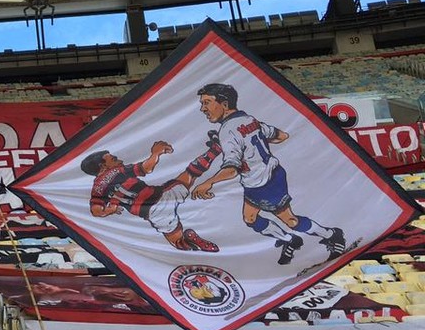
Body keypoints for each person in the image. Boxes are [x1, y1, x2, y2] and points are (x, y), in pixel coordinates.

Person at [190, 82, 345, 264]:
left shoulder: (227, 130)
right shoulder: (249, 119)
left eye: (207, 102)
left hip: (265, 182)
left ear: (224, 104)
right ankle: (290, 240)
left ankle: (332, 235)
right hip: (257, 180)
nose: (203, 108)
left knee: (290, 220)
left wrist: (208, 182)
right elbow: (281, 136)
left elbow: (232, 169)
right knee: (250, 218)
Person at [81, 142, 220, 252]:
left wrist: (108, 211)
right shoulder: (116, 171)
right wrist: (156, 153)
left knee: (178, 243)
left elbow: (95, 210)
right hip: (162, 195)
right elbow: (146, 168)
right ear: (103, 165)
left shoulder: (97, 188)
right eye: (114, 159)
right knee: (190, 173)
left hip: (152, 213)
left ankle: (188, 240)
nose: (120, 160)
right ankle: (215, 150)